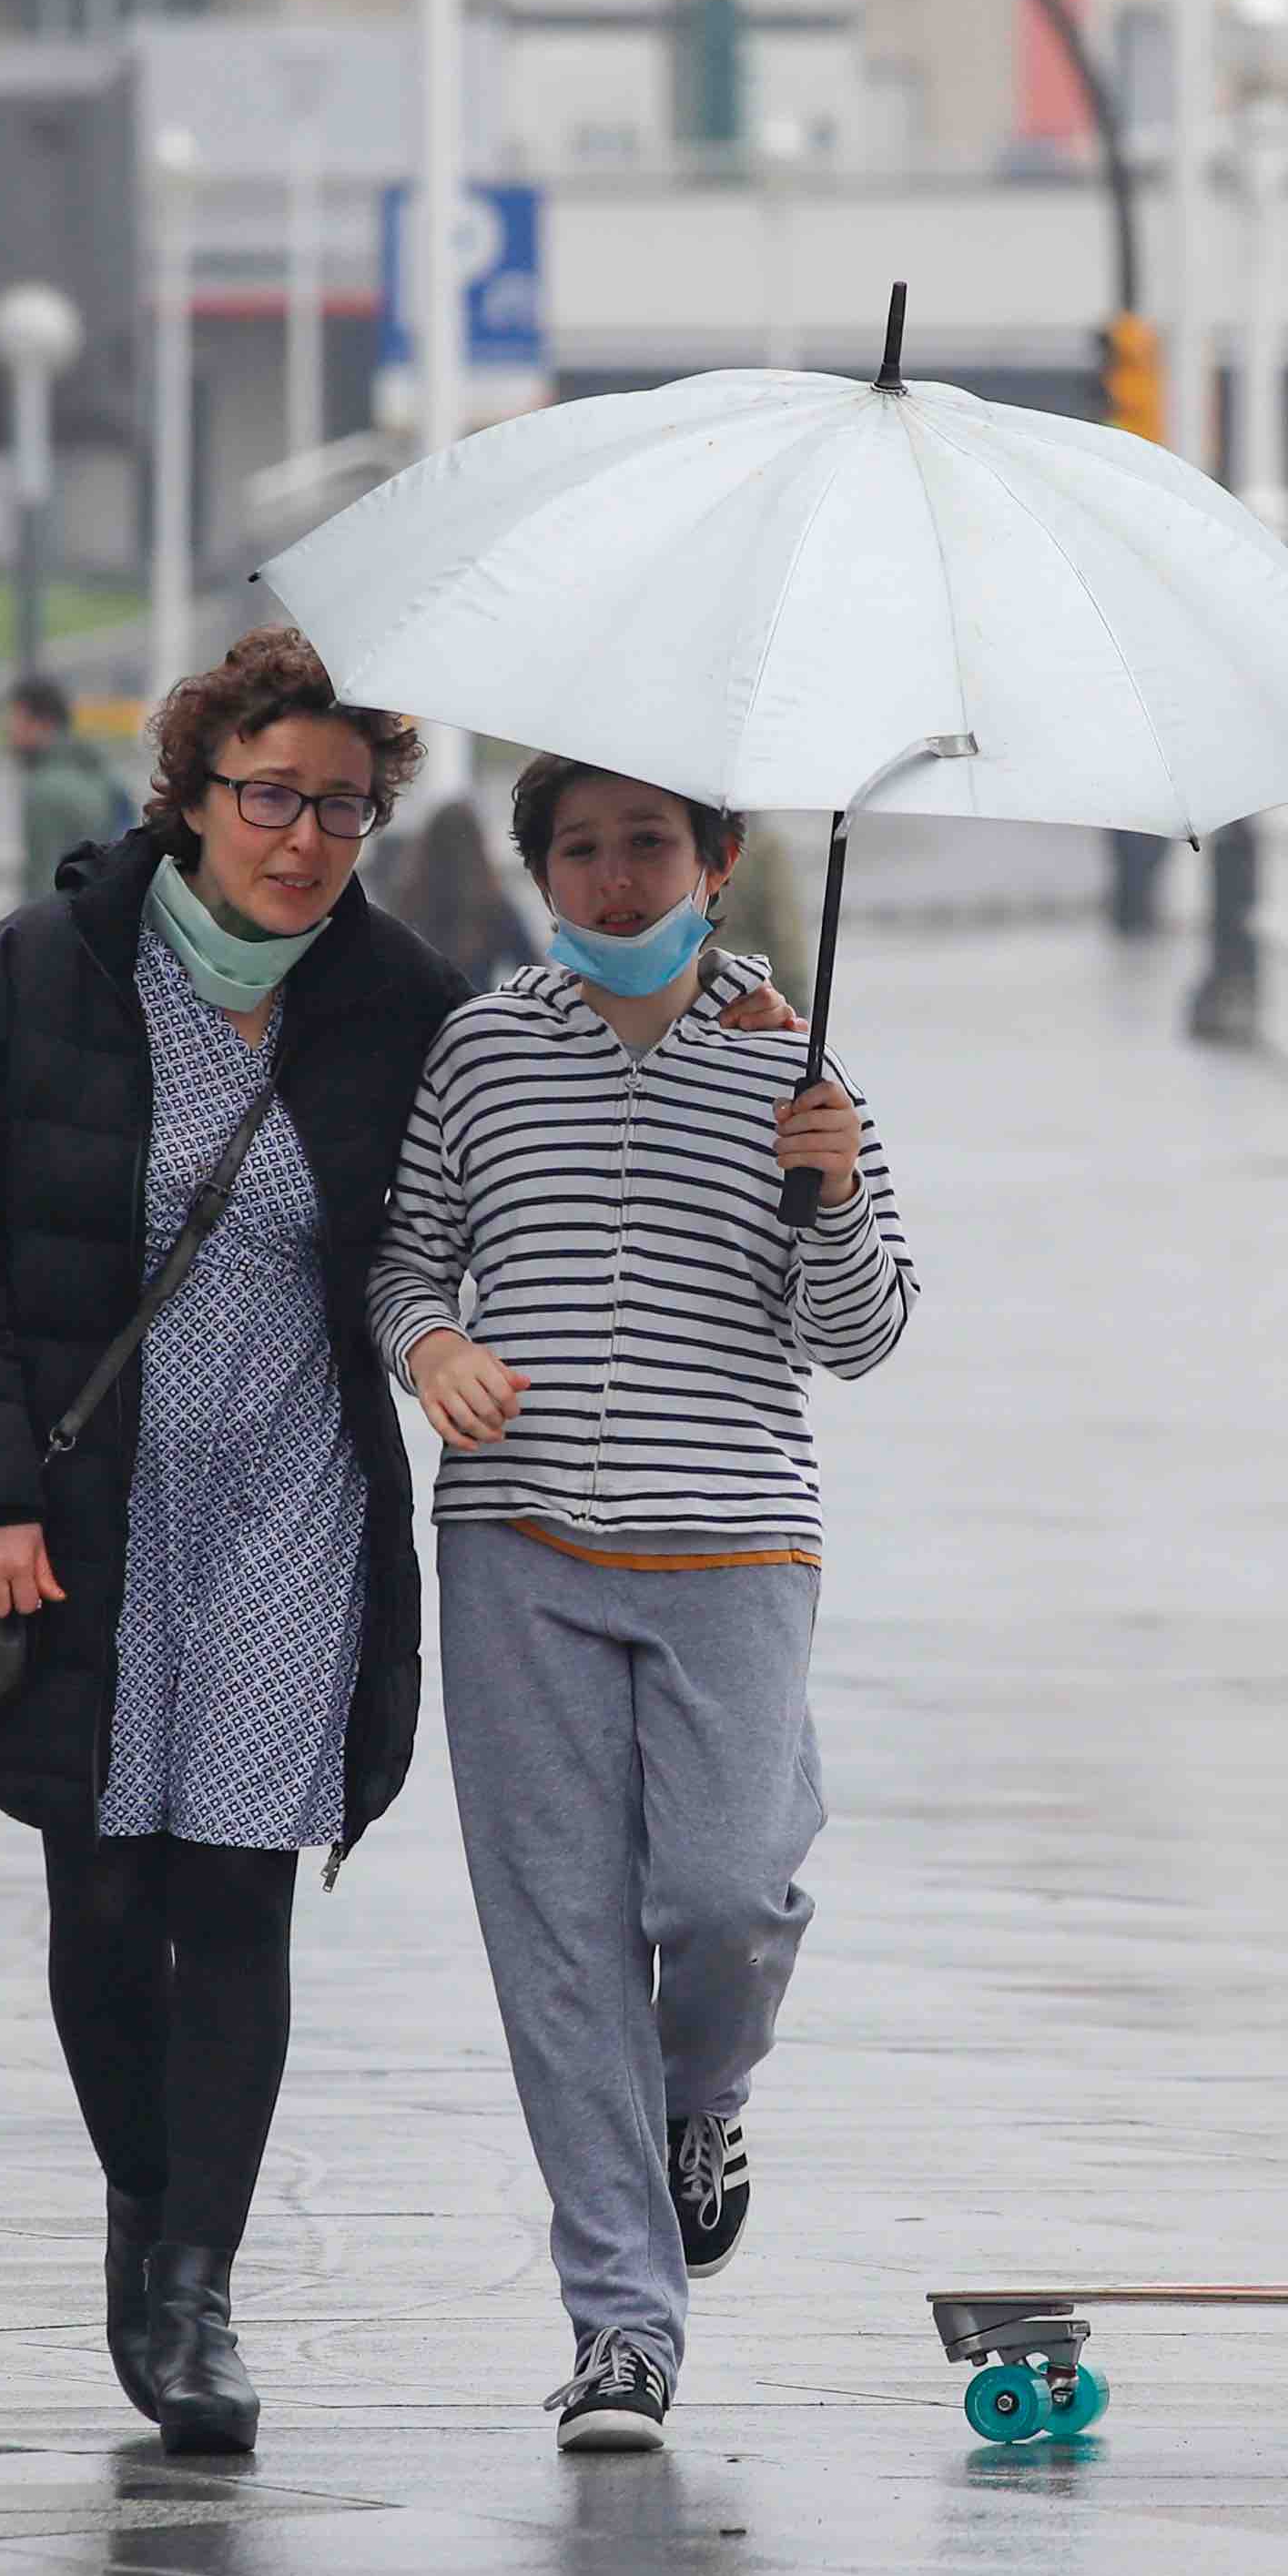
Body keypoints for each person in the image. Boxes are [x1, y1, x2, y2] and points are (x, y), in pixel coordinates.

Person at [0, 627, 484, 2467]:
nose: (303, 838)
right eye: (272, 796)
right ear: (195, 792)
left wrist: (767, 1082)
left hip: (293, 1492)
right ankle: (143, 2212)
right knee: (102, 1894)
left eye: (343, 806)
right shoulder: (47, 974)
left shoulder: (399, 998)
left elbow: (514, 1157)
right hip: (87, 1506)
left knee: (232, 1890)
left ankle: (197, 2288)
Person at [367, 755, 916, 2458]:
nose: (615, 884)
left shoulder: (799, 1066)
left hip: (733, 1539)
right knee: (557, 1953)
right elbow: (404, 1257)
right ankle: (621, 2327)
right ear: (539, 875)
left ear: (719, 861)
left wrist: (820, 1185)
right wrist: (432, 1345)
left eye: (647, 849)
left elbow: (864, 1331)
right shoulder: (480, 1048)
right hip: (514, 1542)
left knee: (727, 1888)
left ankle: (706, 2094)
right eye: (581, 854)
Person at [15, 675, 138, 903]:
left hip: (66, 925)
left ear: (43, 723)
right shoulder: (100, 773)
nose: (10, 733)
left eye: (16, 721)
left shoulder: (44, 792)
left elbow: (43, 886)